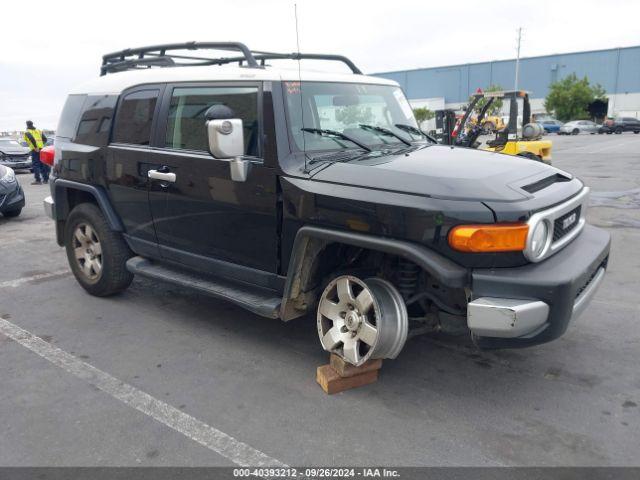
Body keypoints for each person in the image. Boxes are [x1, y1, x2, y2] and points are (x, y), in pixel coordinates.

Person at [23, 120, 49, 185]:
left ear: (27, 125)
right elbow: (45, 139)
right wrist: (41, 145)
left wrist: (35, 147)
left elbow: (31, 139)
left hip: (35, 149)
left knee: (35, 164)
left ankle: (38, 180)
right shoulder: (39, 131)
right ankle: (45, 179)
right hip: (41, 148)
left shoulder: (27, 132)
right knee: (42, 164)